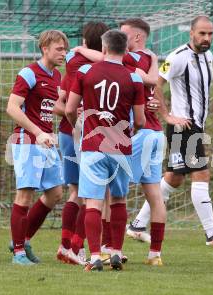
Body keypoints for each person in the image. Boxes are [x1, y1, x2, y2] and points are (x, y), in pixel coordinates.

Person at [127, 16, 213, 247]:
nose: (207, 38)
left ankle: (137, 225)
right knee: (201, 174)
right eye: (202, 33)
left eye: (210, 34)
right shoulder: (178, 57)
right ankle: (212, 234)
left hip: (195, 125)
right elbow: (156, 83)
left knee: (173, 179)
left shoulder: (207, 56)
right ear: (191, 33)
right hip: (183, 126)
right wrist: (167, 115)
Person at [65, 29, 145, 272]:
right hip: (120, 147)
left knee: (93, 203)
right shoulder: (135, 78)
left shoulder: (85, 71)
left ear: (104, 48)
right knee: (119, 199)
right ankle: (117, 252)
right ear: (126, 50)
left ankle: (96, 256)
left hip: (92, 145)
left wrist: (77, 126)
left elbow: (70, 108)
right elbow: (140, 120)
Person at [6, 30, 68, 265]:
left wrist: (73, 112)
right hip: (28, 141)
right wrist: (38, 132)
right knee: (24, 195)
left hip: (45, 141)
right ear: (45, 48)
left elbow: (48, 106)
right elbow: (12, 108)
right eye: (58, 49)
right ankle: (19, 253)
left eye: (64, 49)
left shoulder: (57, 76)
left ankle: (22, 239)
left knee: (55, 193)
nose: (63, 53)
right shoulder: (29, 73)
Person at [53, 21, 109, 266]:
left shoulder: (74, 61)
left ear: (86, 41)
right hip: (85, 133)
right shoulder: (106, 66)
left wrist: (80, 50)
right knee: (91, 195)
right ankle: (76, 247)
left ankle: (66, 246)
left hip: (66, 131)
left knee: (76, 192)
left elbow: (62, 102)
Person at [119, 18, 166, 266]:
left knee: (113, 191)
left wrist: (81, 50)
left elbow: (104, 55)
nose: (117, 38)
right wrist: (155, 60)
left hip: (142, 133)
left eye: (122, 34)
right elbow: (152, 81)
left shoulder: (134, 59)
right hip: (156, 133)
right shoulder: (149, 59)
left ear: (137, 38)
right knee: (155, 197)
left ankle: (111, 248)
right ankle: (155, 255)